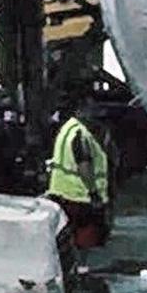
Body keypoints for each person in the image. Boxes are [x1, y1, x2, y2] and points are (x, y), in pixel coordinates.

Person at [47, 105, 111, 251]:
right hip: (79, 195)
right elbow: (84, 165)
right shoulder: (80, 134)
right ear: (79, 110)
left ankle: (73, 268)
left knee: (67, 237)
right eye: (90, 108)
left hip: (61, 191)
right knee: (84, 238)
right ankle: (81, 268)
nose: (93, 113)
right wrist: (93, 192)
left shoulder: (67, 128)